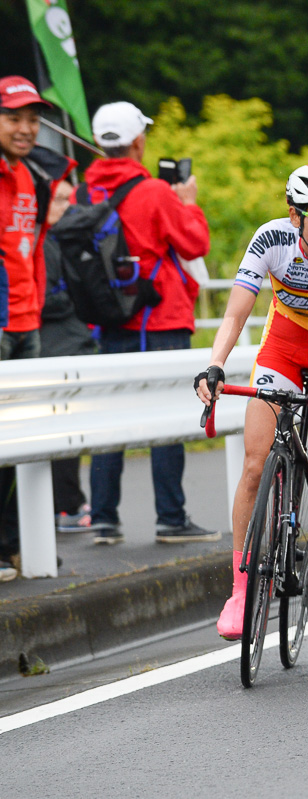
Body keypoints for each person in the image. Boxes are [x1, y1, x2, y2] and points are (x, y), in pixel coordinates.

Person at [195, 163, 308, 640]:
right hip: (283, 346)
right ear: (295, 215)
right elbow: (236, 315)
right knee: (255, 466)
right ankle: (239, 591)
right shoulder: (270, 240)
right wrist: (216, 366)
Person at [73, 101, 217, 546]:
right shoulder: (155, 192)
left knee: (110, 419)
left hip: (107, 320)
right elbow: (194, 243)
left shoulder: (83, 192)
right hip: (160, 317)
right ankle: (171, 519)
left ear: (100, 142)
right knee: (168, 417)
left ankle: (102, 517)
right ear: (138, 141)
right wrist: (188, 203)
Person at [0, 76, 74, 580]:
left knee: (22, 441)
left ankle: (13, 542)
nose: (26, 129)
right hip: (3, 321)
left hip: (29, 321)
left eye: (32, 119)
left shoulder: (34, 177)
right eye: (13, 118)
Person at [40, 178, 98, 532]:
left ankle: (66, 504)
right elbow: (45, 300)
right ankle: (68, 507)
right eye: (59, 200)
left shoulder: (54, 241)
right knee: (61, 430)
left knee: (63, 430)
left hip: (60, 345)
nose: (68, 207)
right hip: (55, 347)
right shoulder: (43, 243)